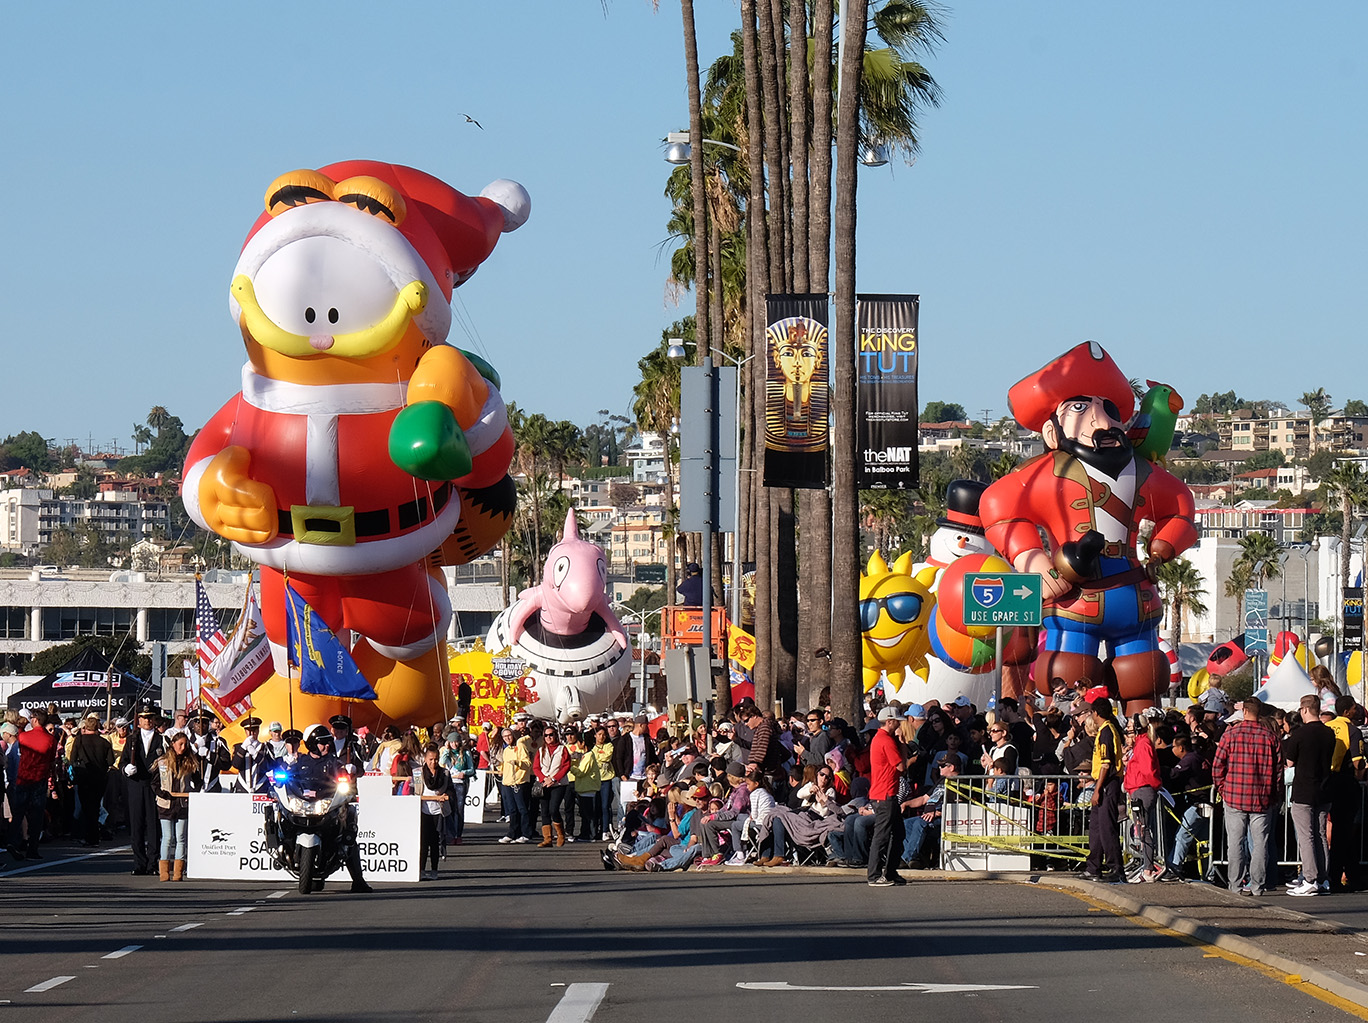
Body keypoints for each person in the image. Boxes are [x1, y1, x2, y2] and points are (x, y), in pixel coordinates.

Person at [978, 342, 1197, 712]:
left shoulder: (1144, 473)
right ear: (1052, 432)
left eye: (1107, 408)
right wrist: (1032, 558)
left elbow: (1181, 507)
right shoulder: (1046, 473)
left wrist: (1165, 544)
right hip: (1075, 597)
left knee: (1143, 677)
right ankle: (1070, 745)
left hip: (1134, 596)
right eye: (1080, 408)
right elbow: (998, 506)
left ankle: (1141, 740)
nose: (1101, 419)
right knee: (1066, 676)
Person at [1212, 696, 1281, 896]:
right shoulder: (1270, 737)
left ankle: (1235, 885)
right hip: (1262, 797)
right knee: (1260, 843)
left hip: (1234, 795)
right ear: (1259, 713)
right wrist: (1274, 794)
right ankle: (1258, 886)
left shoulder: (1230, 734)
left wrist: (1222, 788)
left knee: (1235, 843)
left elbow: (1218, 765)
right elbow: (1278, 772)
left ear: (1244, 712)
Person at [292, 725, 372, 892]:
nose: (327, 746)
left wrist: (351, 770)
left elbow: (347, 775)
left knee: (348, 833)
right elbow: (285, 778)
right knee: (276, 814)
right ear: (312, 744)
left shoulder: (334, 762)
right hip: (302, 805)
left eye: (328, 743)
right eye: (322, 743)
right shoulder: (299, 761)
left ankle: (358, 880)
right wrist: (280, 775)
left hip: (326, 806)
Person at [1283, 694, 1335, 897]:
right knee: (1321, 835)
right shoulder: (1329, 733)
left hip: (1304, 789)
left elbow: (1289, 763)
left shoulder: (1300, 734)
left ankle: (1310, 878)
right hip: (1324, 789)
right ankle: (1322, 879)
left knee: (1306, 836)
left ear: (1304, 710)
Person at [1081, 696, 1125, 882]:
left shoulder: (1107, 731)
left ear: (1095, 713)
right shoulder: (1104, 731)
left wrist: (1097, 790)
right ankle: (1094, 866)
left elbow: (1106, 764)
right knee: (1097, 827)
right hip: (1104, 782)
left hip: (1107, 783)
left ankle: (1116, 868)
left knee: (1107, 828)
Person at [1325, 694, 1365, 891]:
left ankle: (1351, 874)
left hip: (1326, 782)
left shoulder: (1328, 726)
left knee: (1334, 831)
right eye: (1354, 708)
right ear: (1348, 711)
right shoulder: (1353, 730)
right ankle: (1335, 876)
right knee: (1344, 832)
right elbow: (1357, 762)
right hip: (1344, 783)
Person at [118, 706, 164, 876]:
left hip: (153, 785)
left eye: (150, 717)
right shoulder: (132, 740)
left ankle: (152, 863)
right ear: (139, 720)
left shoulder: (161, 740)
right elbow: (122, 763)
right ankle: (139, 863)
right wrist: (126, 769)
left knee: (153, 826)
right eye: (144, 718)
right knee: (136, 824)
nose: (147, 721)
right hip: (136, 785)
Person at [866, 705, 908, 887]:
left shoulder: (879, 738)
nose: (899, 724)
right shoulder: (886, 741)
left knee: (898, 833)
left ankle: (890, 872)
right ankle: (874, 875)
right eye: (896, 721)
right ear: (889, 721)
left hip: (883, 793)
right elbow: (901, 766)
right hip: (885, 794)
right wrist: (903, 745)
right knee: (882, 835)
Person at [154, 730, 203, 881]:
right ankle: (164, 871)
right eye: (180, 744)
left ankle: (178, 872)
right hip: (166, 803)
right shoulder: (162, 762)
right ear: (173, 744)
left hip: (182, 803)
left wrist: (191, 792)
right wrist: (162, 793)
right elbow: (154, 783)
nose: (183, 747)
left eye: (185, 744)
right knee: (167, 837)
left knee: (181, 838)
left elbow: (198, 781)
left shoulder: (190, 762)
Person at [11, 711, 58, 861]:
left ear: (36, 720)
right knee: (36, 816)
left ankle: (12, 841)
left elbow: (21, 748)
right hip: (39, 779)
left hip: (24, 778)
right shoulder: (50, 740)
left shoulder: (24, 736)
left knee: (18, 813)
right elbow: (51, 759)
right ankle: (32, 849)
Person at [1123, 713, 1164, 882]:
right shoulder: (1140, 744)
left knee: (1144, 829)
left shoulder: (1143, 744)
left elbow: (1148, 771)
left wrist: (1155, 784)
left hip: (1143, 789)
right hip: (1138, 789)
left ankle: (1148, 869)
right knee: (1142, 829)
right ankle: (1146, 866)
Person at [68, 714, 113, 847]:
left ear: (85, 727)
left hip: (83, 777)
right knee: (95, 806)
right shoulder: (104, 742)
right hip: (99, 778)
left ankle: (88, 835)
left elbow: (72, 758)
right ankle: (94, 836)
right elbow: (110, 761)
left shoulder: (80, 740)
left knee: (86, 807)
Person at [417, 743, 452, 880]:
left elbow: (450, 790)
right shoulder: (418, 773)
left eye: (436, 759)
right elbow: (414, 791)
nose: (433, 762)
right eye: (430, 759)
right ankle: (421, 869)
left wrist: (445, 796)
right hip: (423, 811)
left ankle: (434, 869)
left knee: (435, 842)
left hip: (439, 812)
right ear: (425, 759)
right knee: (423, 842)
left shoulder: (445, 773)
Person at [534, 726, 572, 847]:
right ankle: (547, 838)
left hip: (558, 783)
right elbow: (536, 767)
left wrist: (554, 778)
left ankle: (561, 834)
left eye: (551, 735)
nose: (549, 737)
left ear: (555, 735)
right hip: (544, 783)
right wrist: (544, 779)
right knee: (544, 811)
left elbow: (566, 766)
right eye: (546, 735)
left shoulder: (562, 749)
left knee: (553, 809)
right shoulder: (541, 750)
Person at [439, 730, 474, 846]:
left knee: (459, 810)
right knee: (450, 809)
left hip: (460, 783)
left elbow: (471, 769)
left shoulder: (466, 753)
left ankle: (458, 835)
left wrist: (463, 773)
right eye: (451, 742)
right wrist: (446, 749)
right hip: (449, 783)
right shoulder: (447, 753)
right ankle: (450, 834)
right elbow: (442, 763)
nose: (454, 744)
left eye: (456, 742)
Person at [231, 717, 275, 794]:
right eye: (249, 731)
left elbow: (267, 767)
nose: (252, 733)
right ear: (245, 731)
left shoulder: (266, 747)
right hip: (243, 786)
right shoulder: (238, 747)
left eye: (254, 730)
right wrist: (243, 748)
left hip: (261, 785)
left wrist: (255, 753)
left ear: (258, 730)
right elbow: (236, 764)